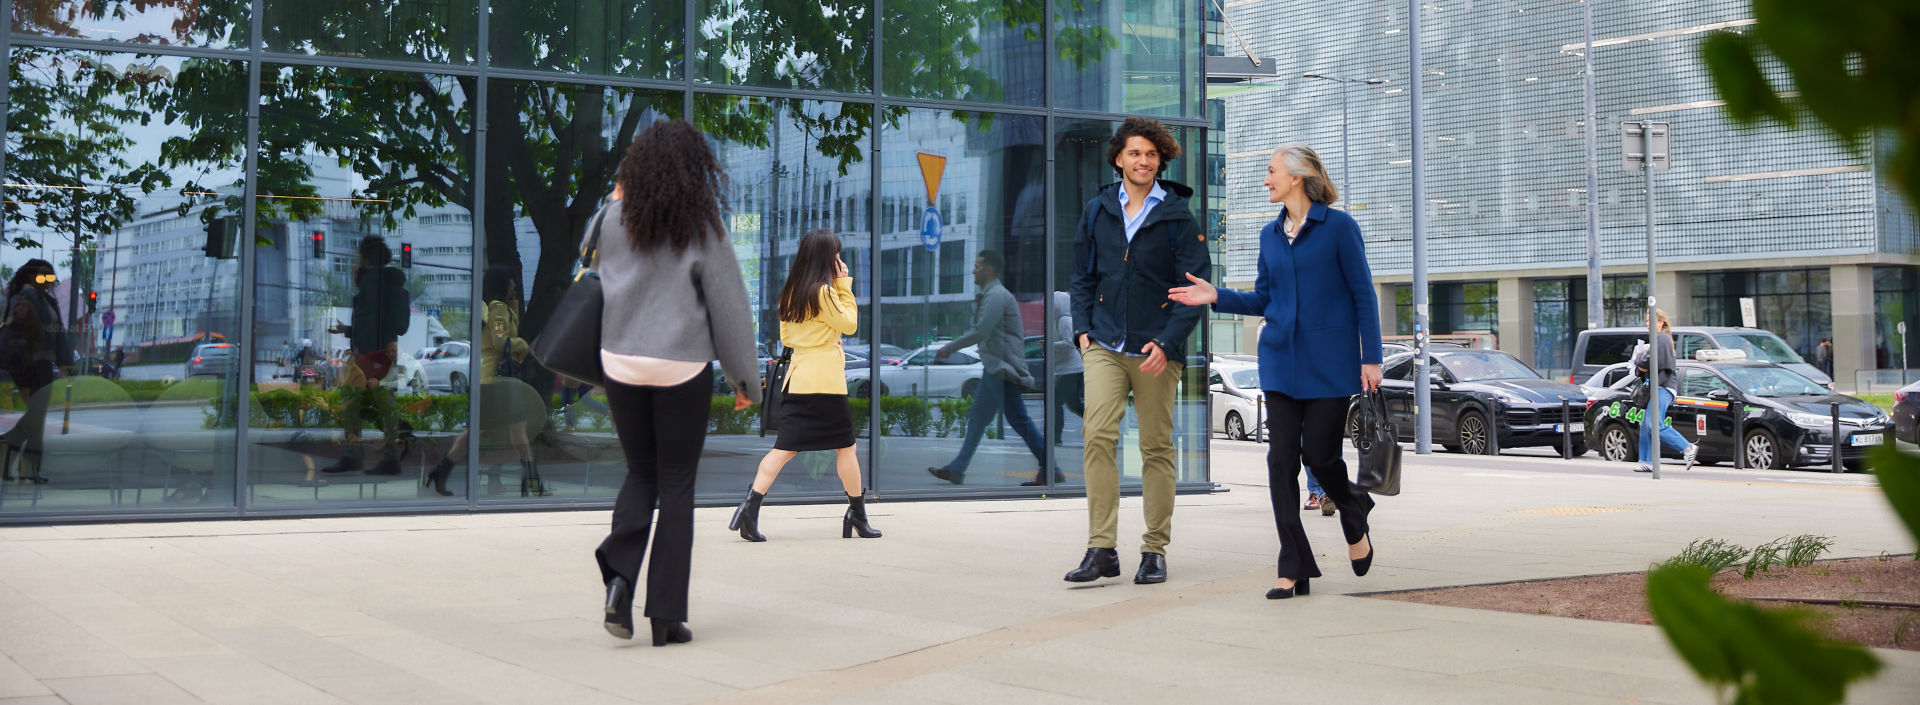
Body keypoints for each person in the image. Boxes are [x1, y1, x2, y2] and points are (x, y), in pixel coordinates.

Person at [1168, 143, 1381, 600]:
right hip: (1281, 363)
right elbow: (1264, 298)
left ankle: (1354, 504)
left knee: (1320, 458)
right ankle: (1293, 565)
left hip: (1329, 365)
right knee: (1280, 461)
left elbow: (1364, 294)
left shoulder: (1339, 228)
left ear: (1297, 178)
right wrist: (1217, 296)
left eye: (1271, 172)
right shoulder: (1269, 235)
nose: (1265, 180)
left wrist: (1372, 357)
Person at [593, 120, 761, 646]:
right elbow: (730, 309)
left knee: (640, 473)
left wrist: (615, 196)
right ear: (696, 170)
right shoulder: (701, 224)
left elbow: (587, 258)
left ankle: (620, 579)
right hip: (681, 366)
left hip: (619, 361)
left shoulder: (611, 217)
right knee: (677, 483)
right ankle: (665, 616)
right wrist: (746, 381)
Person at [1063, 117, 1211, 586]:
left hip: (1156, 349)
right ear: (1118, 158)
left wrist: (1167, 343)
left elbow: (1194, 291)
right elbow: (1082, 276)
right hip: (1104, 343)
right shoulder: (1098, 209)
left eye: (1150, 154)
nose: (1142, 161)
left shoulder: (1178, 217)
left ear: (1160, 159)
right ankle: (1101, 548)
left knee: (1155, 447)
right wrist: (1083, 331)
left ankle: (1154, 550)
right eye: (1134, 153)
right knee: (1097, 436)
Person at [728, 229, 882, 542]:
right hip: (825, 381)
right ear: (828, 258)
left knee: (784, 448)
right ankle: (857, 514)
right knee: (846, 448)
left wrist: (815, 335)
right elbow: (850, 324)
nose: (839, 260)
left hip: (798, 379)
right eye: (836, 255)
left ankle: (749, 508)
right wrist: (844, 284)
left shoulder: (790, 291)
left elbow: (787, 339)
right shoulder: (824, 291)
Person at [925, 250, 1049, 487]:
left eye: (978, 266)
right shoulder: (993, 294)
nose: (974, 270)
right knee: (978, 419)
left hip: (1001, 368)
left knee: (1017, 420)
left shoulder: (996, 295)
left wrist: (950, 348)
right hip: (995, 366)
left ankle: (1050, 467)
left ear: (990, 269)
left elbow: (981, 331)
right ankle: (957, 469)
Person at [422, 265, 544, 496]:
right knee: (512, 433)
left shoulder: (499, 309)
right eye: (511, 282)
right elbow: (501, 343)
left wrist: (514, 311)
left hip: (491, 380)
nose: (515, 286)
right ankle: (532, 482)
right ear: (502, 286)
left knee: (494, 432)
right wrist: (525, 346)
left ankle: (441, 472)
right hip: (499, 382)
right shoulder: (498, 308)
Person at [318, 237, 411, 476]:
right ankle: (391, 451)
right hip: (386, 352)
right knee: (381, 404)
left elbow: (368, 318)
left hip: (368, 354)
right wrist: (348, 331)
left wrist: (358, 346)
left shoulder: (371, 281)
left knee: (351, 404)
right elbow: (386, 322)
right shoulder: (392, 282)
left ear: (365, 256)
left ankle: (356, 455)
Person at [1, 260, 68, 484]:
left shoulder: (47, 300)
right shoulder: (24, 298)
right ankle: (28, 469)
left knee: (35, 419)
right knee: (35, 420)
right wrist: (30, 293)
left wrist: (66, 362)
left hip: (44, 366)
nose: (47, 281)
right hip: (28, 366)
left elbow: (59, 333)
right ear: (30, 277)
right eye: (42, 276)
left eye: (50, 277)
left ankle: (15, 460)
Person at [1632, 308, 1698, 474]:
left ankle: (1687, 448)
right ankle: (1646, 461)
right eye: (1646, 321)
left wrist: (1638, 357)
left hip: (1663, 386)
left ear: (1661, 323)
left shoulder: (1660, 338)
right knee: (1646, 425)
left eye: (1650, 320)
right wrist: (1641, 362)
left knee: (1654, 424)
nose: (1647, 324)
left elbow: (1649, 362)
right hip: (1660, 386)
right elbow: (1648, 364)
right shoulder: (1661, 339)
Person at [1049, 291, 1085, 448]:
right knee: (1073, 405)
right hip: (1067, 370)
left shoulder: (1064, 320)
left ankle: (1056, 438)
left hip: (1071, 370)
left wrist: (1050, 344)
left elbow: (1070, 343)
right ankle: (1100, 426)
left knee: (1056, 402)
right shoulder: (1057, 320)